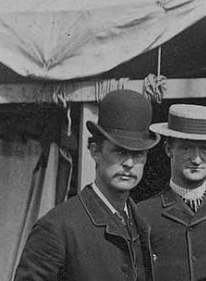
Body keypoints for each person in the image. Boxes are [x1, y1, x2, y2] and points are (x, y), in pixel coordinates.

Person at [14, 90, 159, 281]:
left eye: (138, 154)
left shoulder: (142, 224)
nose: (129, 163)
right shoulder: (58, 227)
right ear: (95, 151)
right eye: (119, 151)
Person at [137, 104, 206, 281]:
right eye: (186, 148)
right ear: (168, 149)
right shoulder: (143, 214)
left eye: (205, 148)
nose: (196, 159)